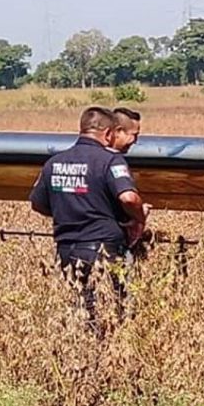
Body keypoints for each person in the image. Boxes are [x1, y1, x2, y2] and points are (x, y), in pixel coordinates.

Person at [29, 106, 149, 336]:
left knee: (81, 311)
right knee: (116, 312)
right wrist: (139, 217)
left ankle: (84, 355)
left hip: (66, 251)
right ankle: (110, 359)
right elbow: (128, 196)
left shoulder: (54, 163)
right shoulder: (110, 160)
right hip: (103, 250)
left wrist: (68, 211)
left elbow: (37, 203)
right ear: (108, 134)